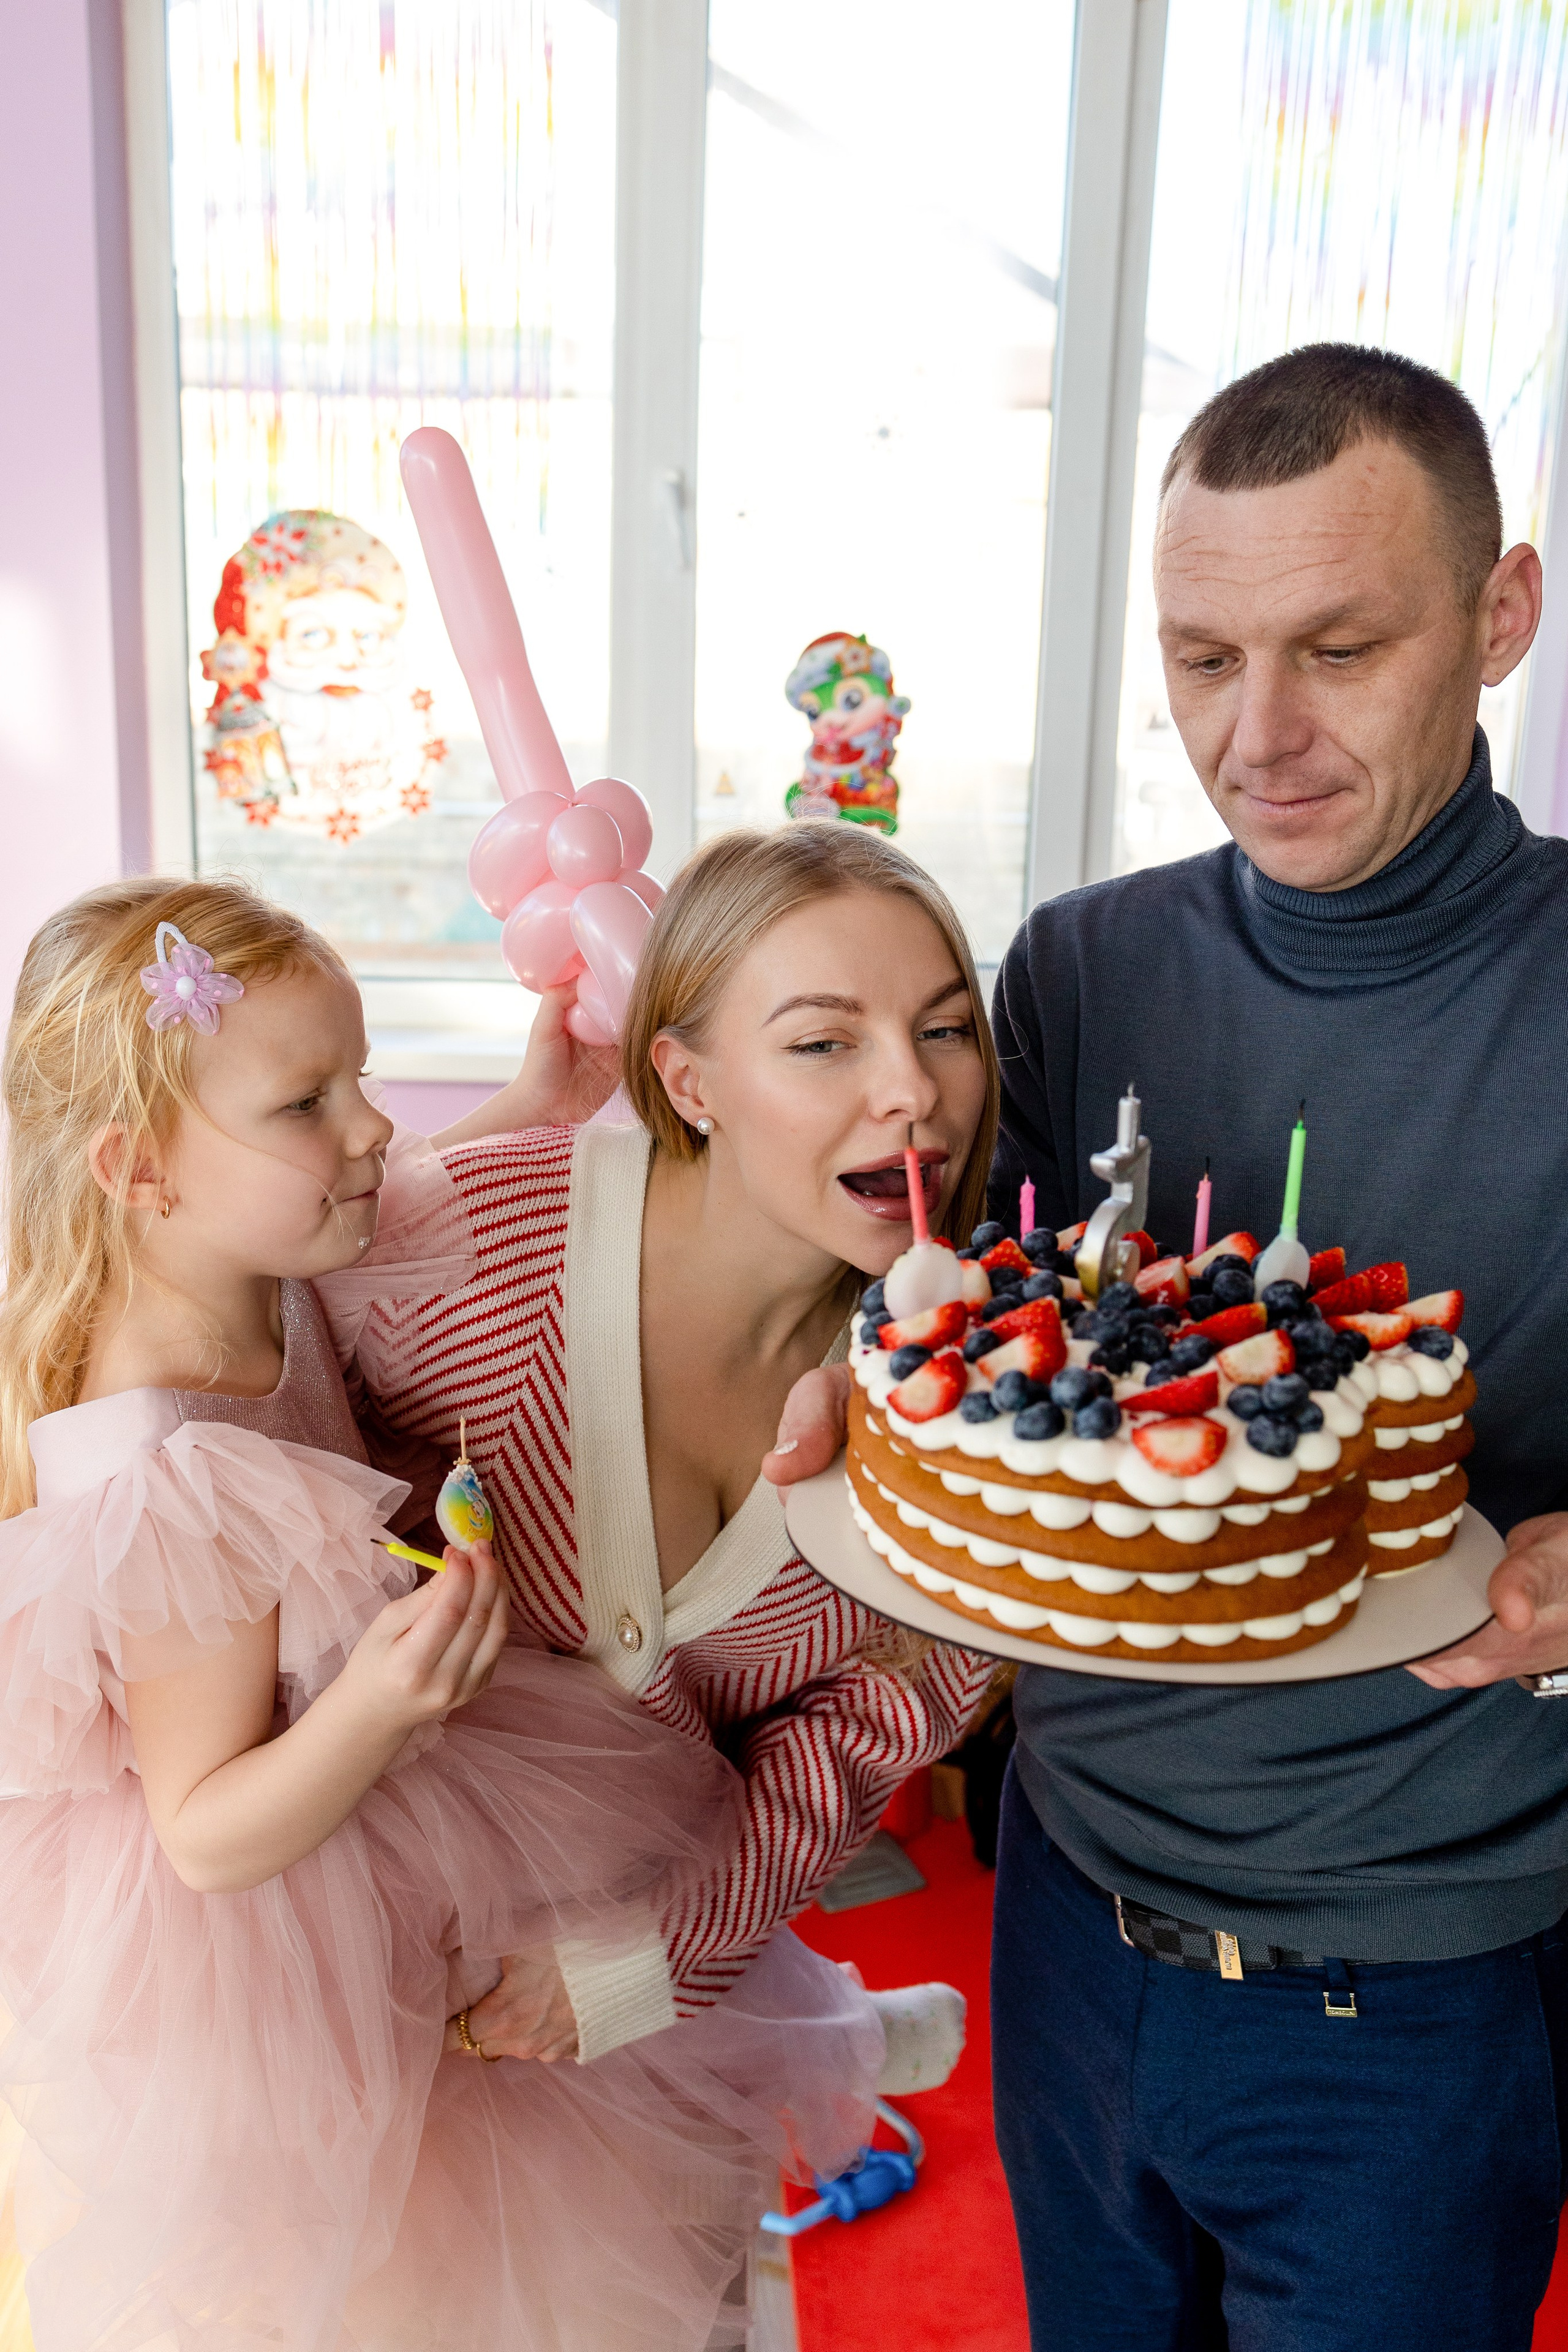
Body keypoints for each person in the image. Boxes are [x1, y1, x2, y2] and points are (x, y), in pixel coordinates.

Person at [771, 345, 1568, 2350]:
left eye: (1339, 648)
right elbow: (956, 1309)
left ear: (1502, 618)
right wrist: (852, 1365)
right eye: (1202, 658)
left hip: (1422, 1982)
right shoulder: (1082, 967)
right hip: (1070, 1913)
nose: (1260, 735)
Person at [0, 876, 877, 2352]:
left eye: (357, 1078)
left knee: (606, 2070)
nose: (372, 1126)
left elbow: (379, 1217)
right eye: (306, 1104)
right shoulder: (161, 1459)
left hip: (401, 1813)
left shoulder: (251, 1269)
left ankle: (746, 2070)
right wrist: (379, 1707)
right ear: (140, 1169)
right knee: (458, 2252)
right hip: (300, 1902)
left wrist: (534, 1101)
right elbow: (205, 1829)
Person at [332, 823, 995, 2113]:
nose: (913, 1092)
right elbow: (227, 1386)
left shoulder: (979, 1418)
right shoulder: (482, 1241)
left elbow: (859, 1737)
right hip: (337, 1992)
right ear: (686, 1082)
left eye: (945, 1029)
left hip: (624, 2056)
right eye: (822, 1041)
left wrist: (656, 1961)